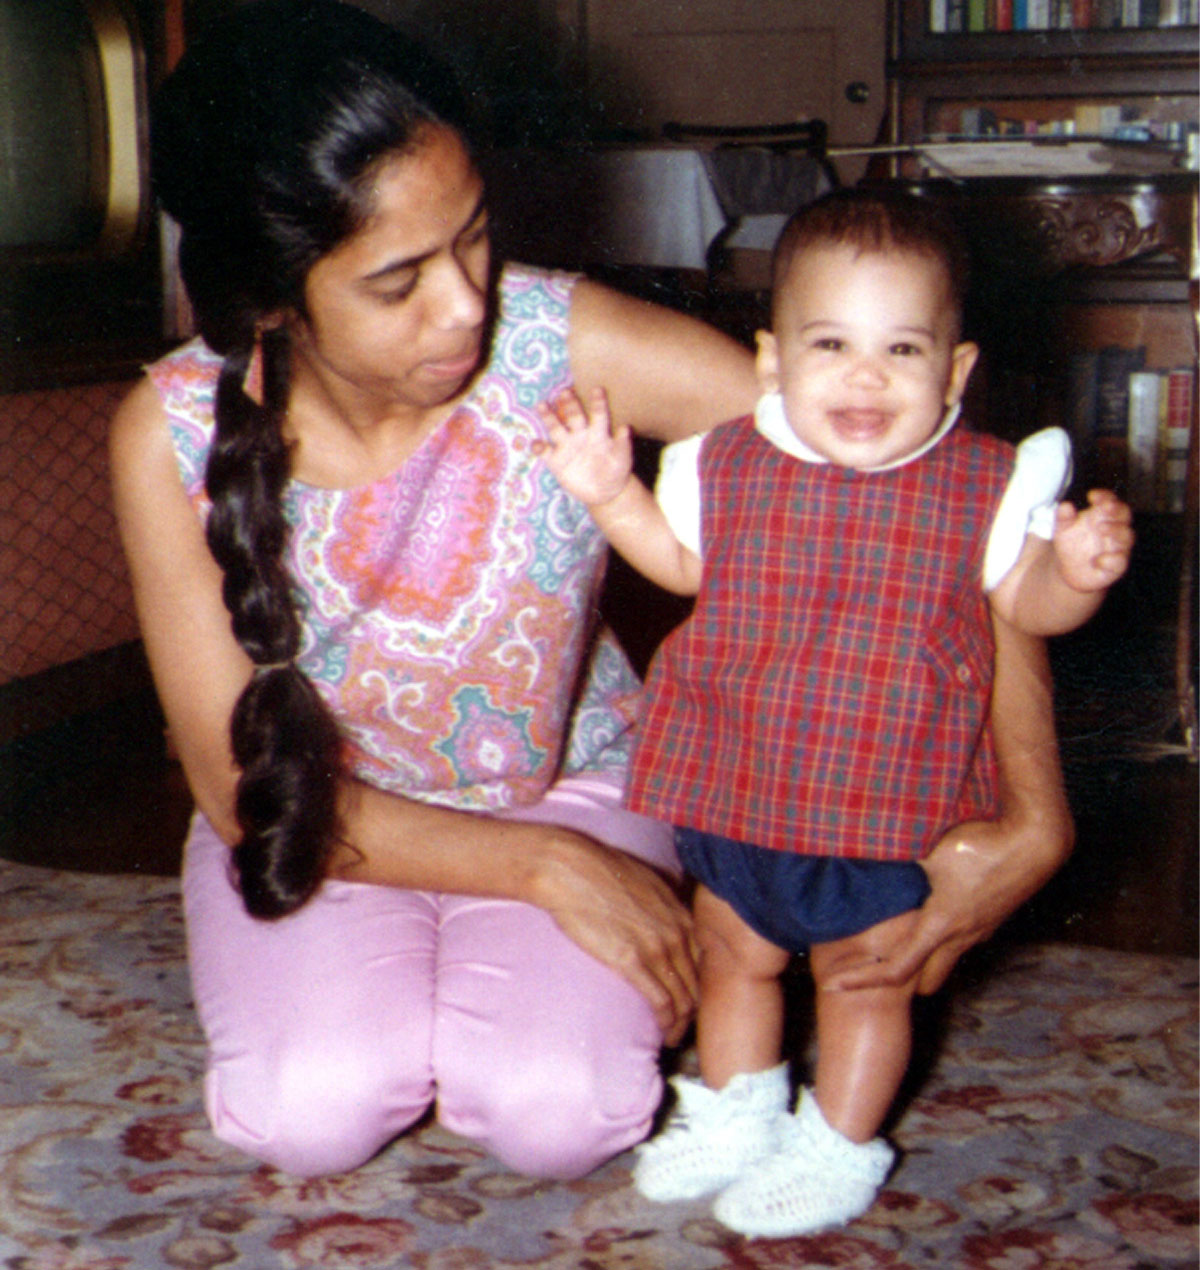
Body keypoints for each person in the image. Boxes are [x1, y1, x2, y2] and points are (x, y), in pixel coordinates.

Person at [109, 0, 1073, 1185]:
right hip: (317, 822)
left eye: (473, 236)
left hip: (571, 781)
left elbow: (928, 499)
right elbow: (242, 787)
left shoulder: (557, 341)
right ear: (272, 298)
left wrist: (1032, 809)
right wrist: (548, 872)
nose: (467, 302)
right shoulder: (168, 435)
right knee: (309, 1112)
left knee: (564, 1114)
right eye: (399, 278)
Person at [539, 187, 1133, 1232]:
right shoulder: (719, 464)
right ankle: (736, 1111)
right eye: (831, 344)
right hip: (738, 784)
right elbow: (677, 566)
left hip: (885, 806)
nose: (865, 375)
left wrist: (1076, 572)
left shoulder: (983, 487)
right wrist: (608, 492)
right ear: (772, 362)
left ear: (955, 371)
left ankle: (839, 1142)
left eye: (904, 351)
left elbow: (1026, 605)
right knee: (734, 954)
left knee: (867, 981)